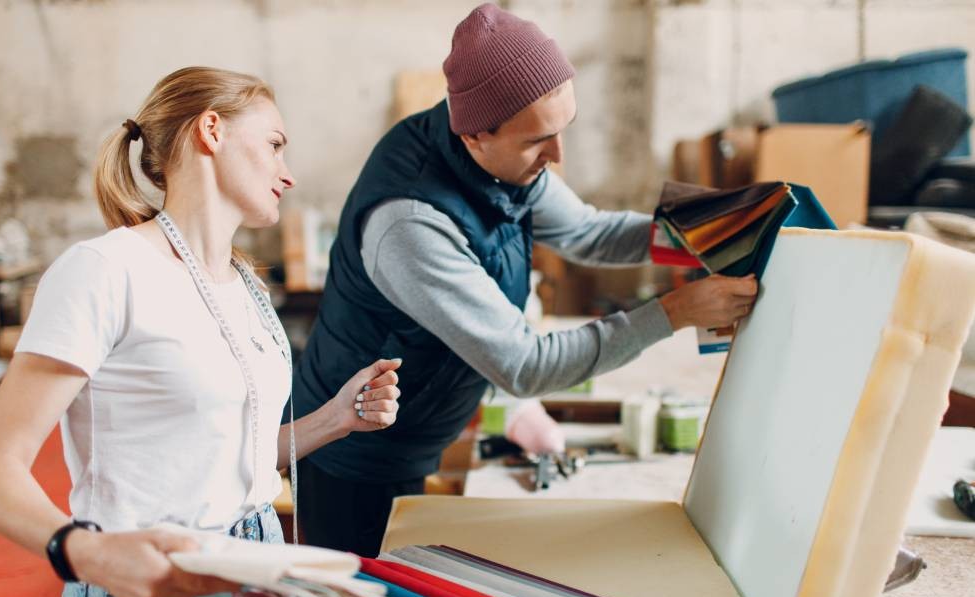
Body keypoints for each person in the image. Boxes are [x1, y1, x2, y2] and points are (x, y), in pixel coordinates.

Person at [291, 2, 757, 559]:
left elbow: (588, 232)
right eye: (539, 141)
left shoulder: (501, 160)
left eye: (563, 131)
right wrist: (675, 312)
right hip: (356, 463)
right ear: (476, 136)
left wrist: (709, 231)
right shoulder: (409, 224)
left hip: (418, 433)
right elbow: (524, 365)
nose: (557, 155)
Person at [0, 66, 401, 597]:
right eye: (275, 144)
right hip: (151, 589)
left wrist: (337, 418)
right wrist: (92, 557)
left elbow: (227, 457)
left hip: (258, 570)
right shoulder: (104, 271)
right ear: (211, 131)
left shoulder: (243, 283)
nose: (289, 172)